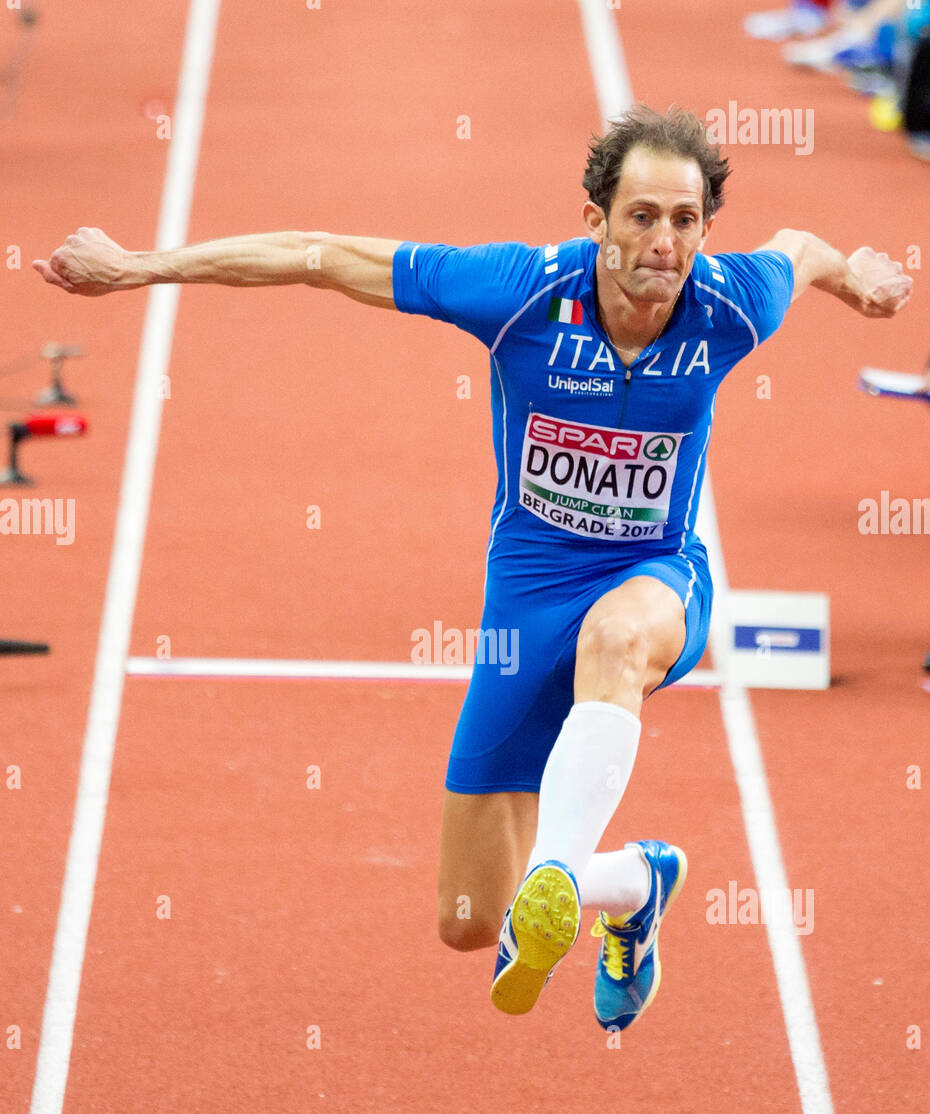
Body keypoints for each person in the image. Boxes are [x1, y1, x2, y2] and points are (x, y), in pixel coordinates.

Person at [34, 105, 912, 1034]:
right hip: (523, 611)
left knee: (617, 639)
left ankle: (560, 869)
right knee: (467, 923)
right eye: (642, 216)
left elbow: (800, 249)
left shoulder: (733, 302)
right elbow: (317, 254)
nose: (665, 241)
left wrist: (852, 278)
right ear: (596, 220)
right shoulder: (519, 292)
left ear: (706, 229)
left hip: (658, 582)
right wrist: (139, 266)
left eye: (686, 220)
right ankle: (634, 883)